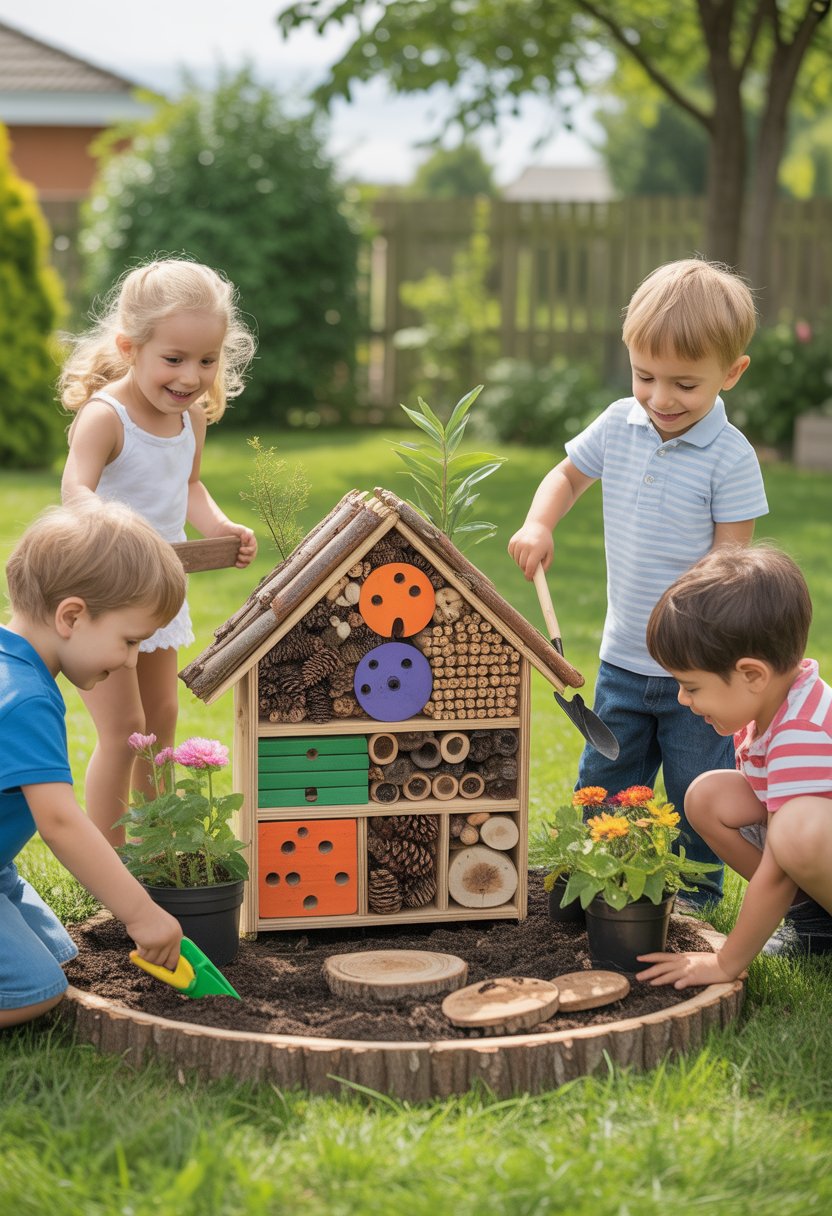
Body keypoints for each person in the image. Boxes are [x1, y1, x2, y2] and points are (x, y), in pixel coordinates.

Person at [508, 258, 769, 907]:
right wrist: (540, 523)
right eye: (644, 376)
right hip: (622, 661)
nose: (660, 398)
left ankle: (695, 898)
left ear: (731, 373)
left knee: (696, 784)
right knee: (607, 773)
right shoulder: (620, 423)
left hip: (695, 675)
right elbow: (566, 475)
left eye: (684, 383)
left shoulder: (730, 457)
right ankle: (592, 878)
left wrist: (697, 630)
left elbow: (731, 564)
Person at [59, 258, 258, 846]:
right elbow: (76, 490)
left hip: (161, 596)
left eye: (206, 360)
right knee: (125, 730)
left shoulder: (189, 419)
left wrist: (221, 527)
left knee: (162, 721)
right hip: (106, 596)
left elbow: (188, 486)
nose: (191, 376)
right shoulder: (107, 417)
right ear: (130, 347)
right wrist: (118, 531)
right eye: (174, 359)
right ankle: (111, 860)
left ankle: (157, 845)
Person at [1, 499, 186, 1028]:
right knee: (36, 991)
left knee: (62, 955)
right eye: (129, 641)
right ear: (72, 616)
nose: (130, 661)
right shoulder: (27, 699)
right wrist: (142, 913)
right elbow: (60, 823)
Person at [637, 544, 832, 988]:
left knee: (795, 831)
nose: (683, 700)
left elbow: (783, 860)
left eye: (691, 687)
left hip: (811, 841)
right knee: (707, 797)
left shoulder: (802, 731)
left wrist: (726, 962)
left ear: (752, 675)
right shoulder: (775, 703)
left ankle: (812, 920)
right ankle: (815, 920)